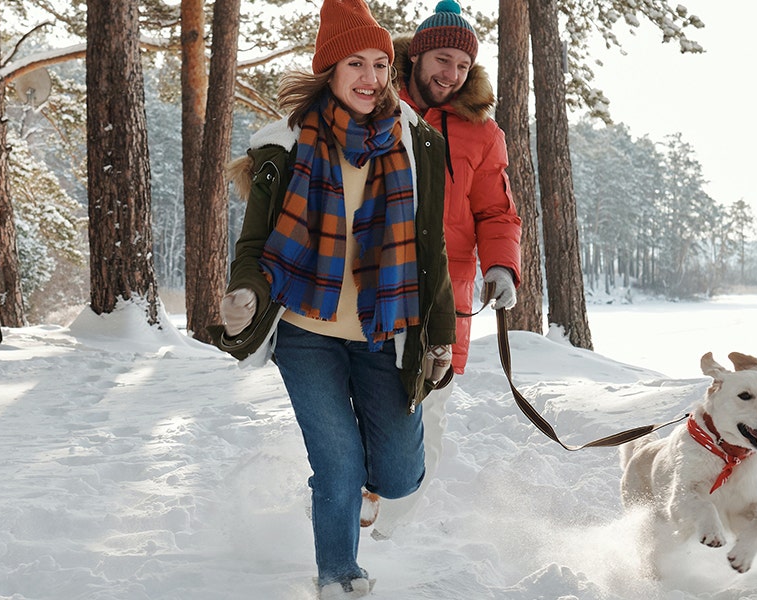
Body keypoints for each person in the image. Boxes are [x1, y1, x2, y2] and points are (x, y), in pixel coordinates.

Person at [207, 0, 456, 597]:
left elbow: (433, 253)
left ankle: (362, 493)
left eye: (380, 63)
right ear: (330, 70)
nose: (371, 78)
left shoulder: (416, 144)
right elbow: (256, 244)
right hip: (305, 332)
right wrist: (244, 292)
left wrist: (439, 334)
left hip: (385, 331)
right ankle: (339, 574)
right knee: (338, 463)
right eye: (355, 63)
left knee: (397, 477)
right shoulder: (286, 148)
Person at [368, 0, 522, 540]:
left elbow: (496, 212)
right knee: (365, 400)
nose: (450, 74)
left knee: (426, 418)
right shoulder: (379, 106)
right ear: (418, 55)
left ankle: (388, 533)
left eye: (461, 64)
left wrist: (502, 266)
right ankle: (353, 510)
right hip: (373, 287)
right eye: (441, 58)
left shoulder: (483, 132)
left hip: (444, 300)